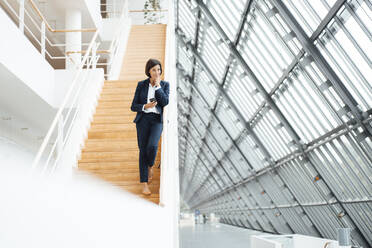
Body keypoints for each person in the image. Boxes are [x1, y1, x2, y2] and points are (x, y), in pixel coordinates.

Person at [130, 59, 169, 195]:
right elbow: (133, 106)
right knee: (142, 150)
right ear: (149, 71)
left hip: (157, 120)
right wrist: (144, 106)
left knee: (152, 146)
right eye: (154, 70)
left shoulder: (164, 85)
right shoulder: (141, 85)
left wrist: (158, 87)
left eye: (158, 69)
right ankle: (145, 184)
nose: (157, 72)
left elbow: (165, 102)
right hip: (143, 120)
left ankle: (150, 165)